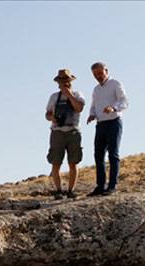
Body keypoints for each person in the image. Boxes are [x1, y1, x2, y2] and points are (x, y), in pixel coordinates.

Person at [86, 62, 128, 196]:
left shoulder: (115, 84)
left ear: (106, 71)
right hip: (100, 124)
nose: (98, 76)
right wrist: (92, 114)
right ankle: (100, 186)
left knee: (113, 154)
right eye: (95, 74)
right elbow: (93, 105)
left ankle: (112, 185)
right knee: (98, 155)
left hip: (114, 122)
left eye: (100, 73)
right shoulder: (96, 89)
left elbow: (124, 101)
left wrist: (113, 108)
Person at [45, 69, 86, 199]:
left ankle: (70, 190)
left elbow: (79, 108)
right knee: (55, 162)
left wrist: (69, 95)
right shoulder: (53, 97)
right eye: (62, 81)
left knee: (73, 162)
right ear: (58, 83)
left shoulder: (78, 95)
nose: (65, 83)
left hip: (73, 131)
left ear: (70, 81)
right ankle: (58, 190)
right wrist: (52, 117)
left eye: (66, 81)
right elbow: (47, 114)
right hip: (57, 132)